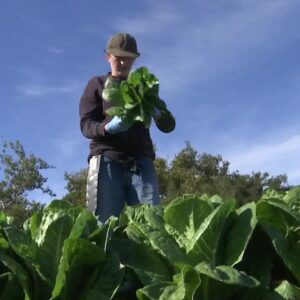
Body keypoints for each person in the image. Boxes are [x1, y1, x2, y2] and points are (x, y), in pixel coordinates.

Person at [79, 32, 175, 223]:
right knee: (104, 223)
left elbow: (169, 125)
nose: (124, 63)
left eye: (129, 59)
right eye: (119, 58)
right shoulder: (97, 85)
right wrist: (107, 128)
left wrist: (157, 113)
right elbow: (86, 124)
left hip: (141, 162)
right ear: (108, 57)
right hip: (106, 159)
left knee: (149, 223)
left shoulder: (143, 87)